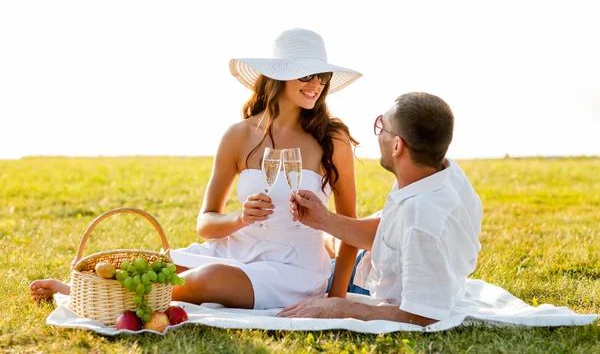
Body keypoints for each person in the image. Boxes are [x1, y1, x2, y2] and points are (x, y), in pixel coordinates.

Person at [30, 28, 364, 310]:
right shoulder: (238, 136)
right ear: (278, 75)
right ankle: (89, 291)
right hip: (233, 250)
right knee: (153, 264)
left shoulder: (332, 140)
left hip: (294, 270)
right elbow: (206, 225)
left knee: (204, 280)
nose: (317, 83)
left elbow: (350, 230)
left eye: (322, 76)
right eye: (307, 74)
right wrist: (241, 218)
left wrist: (335, 302)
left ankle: (86, 297)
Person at [278, 92, 483, 326]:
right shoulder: (438, 172)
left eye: (382, 127)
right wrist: (324, 219)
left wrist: (341, 308)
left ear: (397, 145)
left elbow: (423, 315)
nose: (378, 136)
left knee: (289, 279)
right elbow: (391, 233)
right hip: (373, 261)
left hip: (369, 282)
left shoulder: (422, 221)